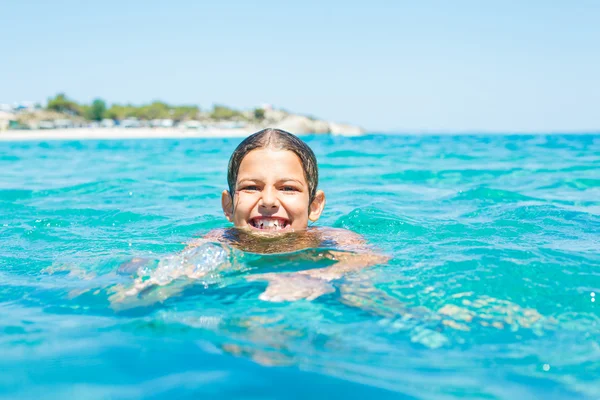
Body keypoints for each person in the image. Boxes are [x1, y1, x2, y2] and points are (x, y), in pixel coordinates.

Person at [114, 128, 387, 305]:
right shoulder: (218, 241)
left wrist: (318, 275)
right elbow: (177, 271)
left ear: (315, 206)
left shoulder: (334, 240)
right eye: (251, 187)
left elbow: (369, 264)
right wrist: (151, 282)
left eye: (288, 188)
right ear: (228, 206)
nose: (268, 201)